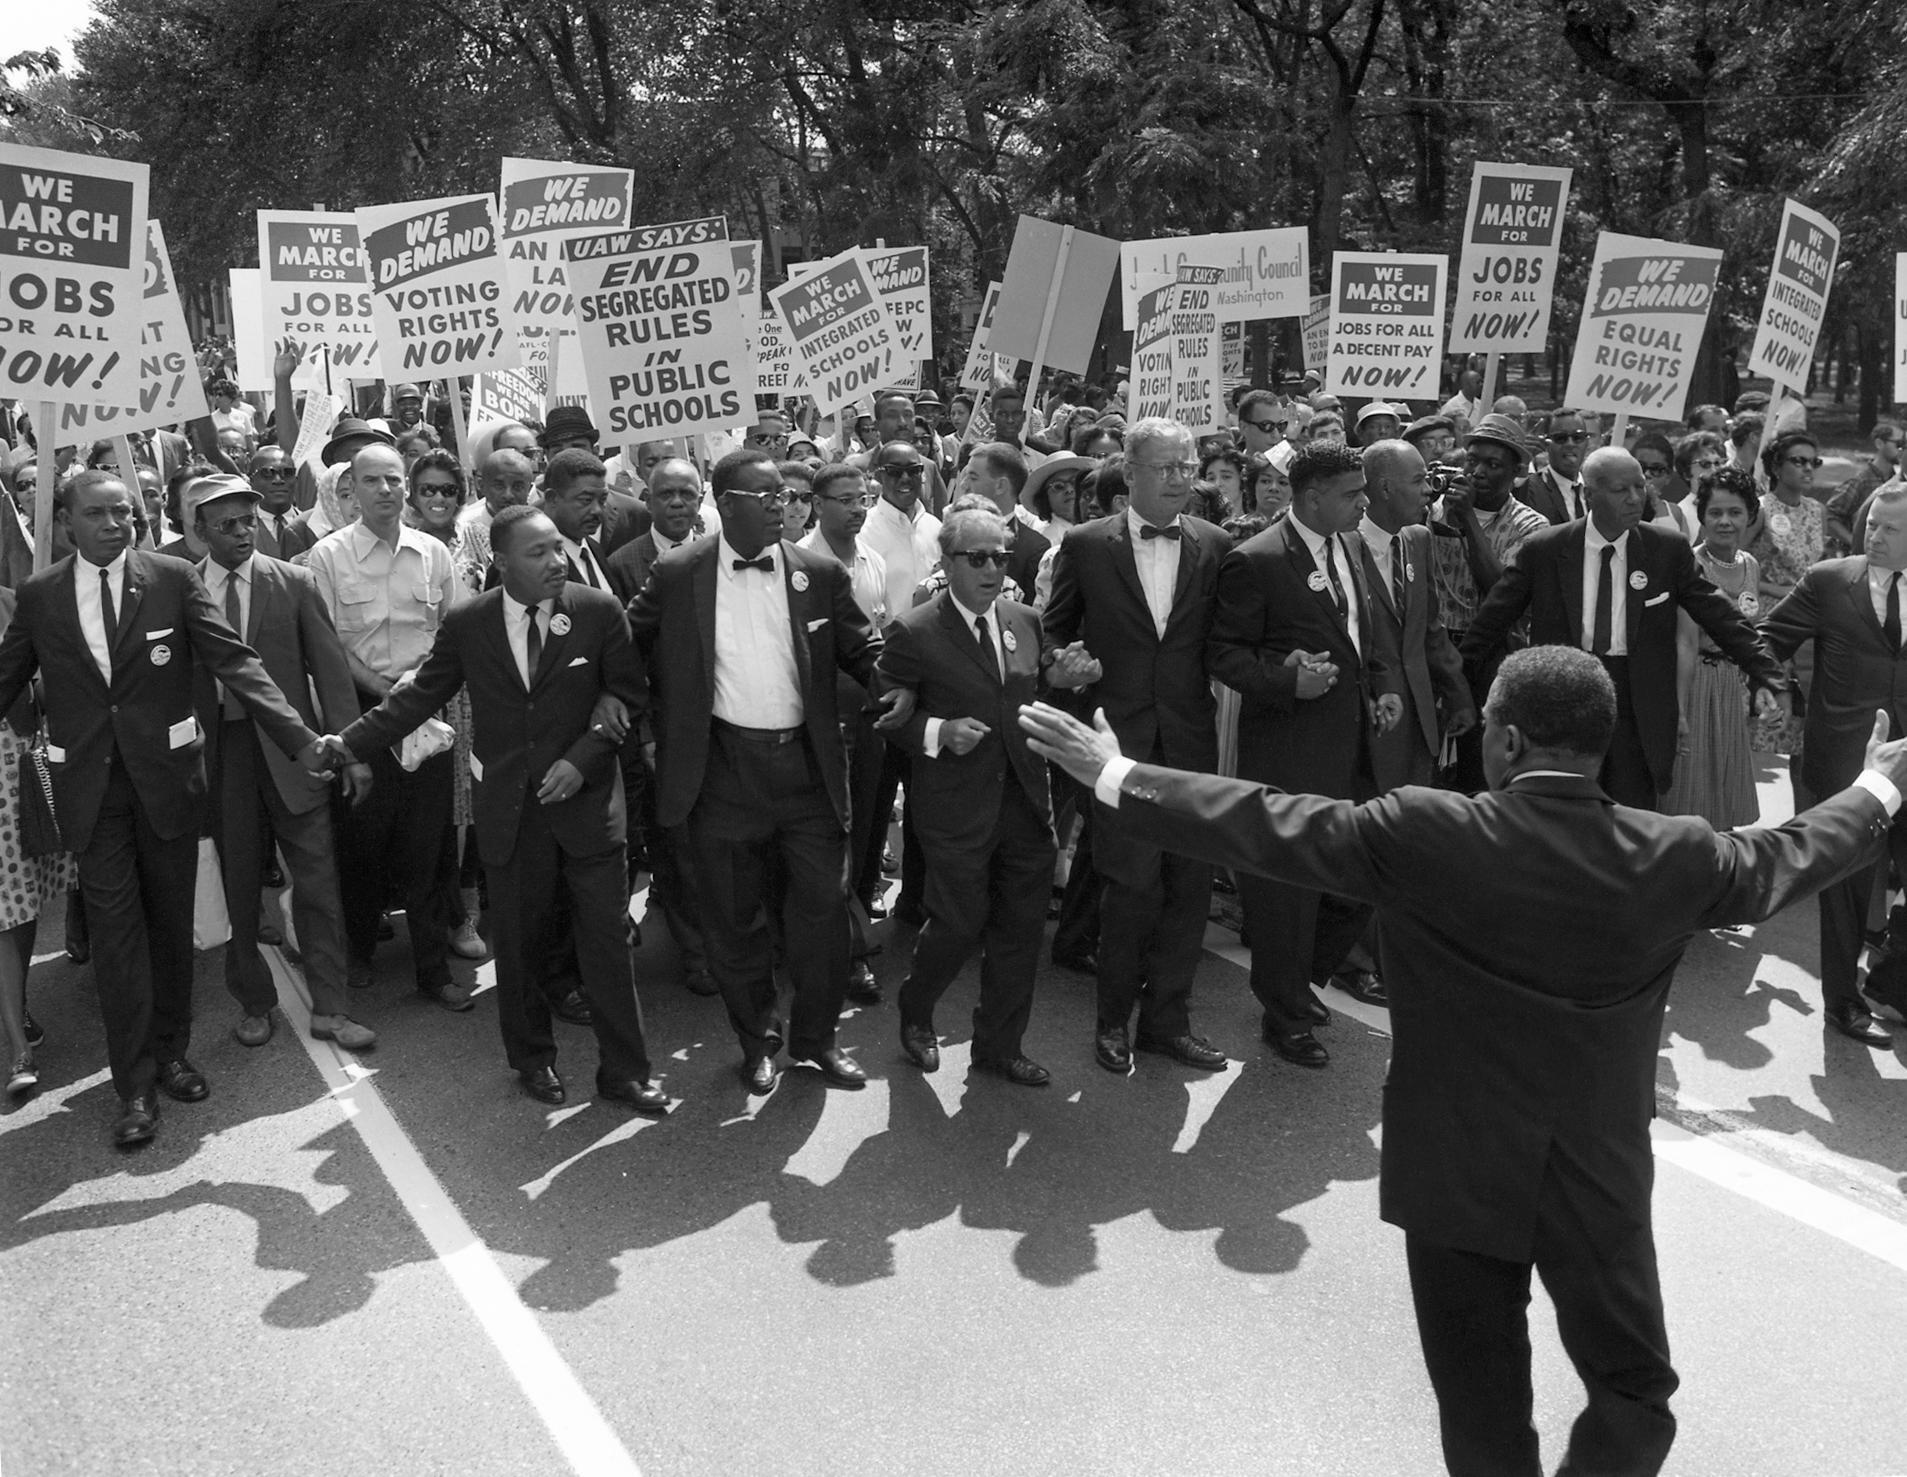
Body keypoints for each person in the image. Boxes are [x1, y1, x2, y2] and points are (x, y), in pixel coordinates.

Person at [1019, 647, 1907, 1477]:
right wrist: (1875, 787)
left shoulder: (1424, 831)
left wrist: (1113, 773)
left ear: (1507, 738)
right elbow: (1786, 857)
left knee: (1481, 1409)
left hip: (1451, 1167)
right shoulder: (1676, 852)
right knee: (1634, 1392)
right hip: (1594, 1174)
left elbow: (1263, 820)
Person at [0, 470, 326, 1146]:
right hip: (91, 794)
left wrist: (300, 737)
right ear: (65, 523)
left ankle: (173, 1051)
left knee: (172, 927)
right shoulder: (39, 597)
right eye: (98, 513)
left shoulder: (174, 578)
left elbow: (235, 662)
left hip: (169, 784)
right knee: (118, 941)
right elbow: (6, 678)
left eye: (124, 511)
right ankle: (135, 1086)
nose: (116, 523)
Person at [323, 504, 668, 1112]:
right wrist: (347, 742)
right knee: (519, 941)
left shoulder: (596, 609)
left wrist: (583, 757)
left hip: (588, 809)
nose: (557, 561)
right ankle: (533, 1060)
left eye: (558, 549)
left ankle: (626, 1071)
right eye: (538, 553)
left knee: (606, 946)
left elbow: (627, 692)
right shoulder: (469, 622)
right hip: (512, 811)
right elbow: (420, 696)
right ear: (502, 562)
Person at [623, 448, 900, 1093]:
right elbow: (626, 650)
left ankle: (816, 1041)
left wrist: (907, 686)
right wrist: (623, 706)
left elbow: (866, 650)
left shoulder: (818, 572)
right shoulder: (679, 573)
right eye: (766, 496)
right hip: (721, 773)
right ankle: (758, 1041)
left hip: (807, 770)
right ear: (725, 503)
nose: (784, 505)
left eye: (785, 495)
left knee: (823, 913)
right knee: (735, 920)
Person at [1042, 416, 1232, 1075]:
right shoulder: (1088, 546)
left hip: (1187, 741)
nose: (1182, 478)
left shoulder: (1213, 542)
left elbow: (1226, 643)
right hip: (1115, 745)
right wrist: (1063, 666)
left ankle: (1166, 1023)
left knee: (1187, 889)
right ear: (1129, 471)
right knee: (1128, 890)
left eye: (1188, 466)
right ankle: (1112, 1023)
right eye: (1166, 467)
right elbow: (1053, 633)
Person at [1209, 442, 1402, 1065]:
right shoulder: (1256, 560)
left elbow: (1361, 637)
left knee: (1359, 880)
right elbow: (1226, 655)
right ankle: (1284, 1014)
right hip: (1290, 754)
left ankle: (1299, 979)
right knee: (1287, 894)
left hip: (1355, 749)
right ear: (1312, 494)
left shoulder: (1350, 547)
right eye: (1352, 493)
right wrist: (1286, 679)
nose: (1364, 503)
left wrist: (1381, 689)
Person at [1462, 448, 1784, 810]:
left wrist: (1765, 672)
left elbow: (1719, 614)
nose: (1635, 498)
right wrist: (1456, 685)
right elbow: (1493, 619)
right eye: (1621, 490)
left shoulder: (1666, 549)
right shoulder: (1547, 549)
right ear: (1589, 496)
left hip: (1637, 706)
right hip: (1565, 701)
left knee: (1630, 820)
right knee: (1562, 818)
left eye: (1639, 486)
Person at [186, 472, 376, 1052]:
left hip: (299, 756)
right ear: (199, 532)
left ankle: (333, 1007)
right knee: (241, 886)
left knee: (318, 883)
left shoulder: (293, 582)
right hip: (224, 758)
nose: (244, 533)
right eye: (227, 525)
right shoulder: (178, 587)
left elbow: (331, 672)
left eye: (248, 521)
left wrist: (351, 751)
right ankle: (254, 1001)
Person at [876, 504, 1053, 1085]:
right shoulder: (914, 630)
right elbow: (886, 716)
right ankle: (918, 1007)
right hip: (953, 806)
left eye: (1001, 557)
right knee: (957, 924)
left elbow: (1033, 698)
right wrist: (937, 732)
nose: (992, 569)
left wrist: (1069, 680)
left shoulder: (1025, 620)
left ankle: (999, 1046)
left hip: (1024, 802)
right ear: (946, 562)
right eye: (977, 558)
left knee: (1020, 929)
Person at [306, 444, 470, 1009]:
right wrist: (386, 695)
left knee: (427, 847)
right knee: (362, 843)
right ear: (351, 488)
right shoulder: (325, 558)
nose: (385, 490)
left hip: (429, 717)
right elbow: (325, 646)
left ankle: (433, 971)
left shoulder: (434, 554)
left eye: (394, 480)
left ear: (407, 487)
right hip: (362, 719)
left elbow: (454, 632)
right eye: (371, 481)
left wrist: (420, 692)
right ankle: (357, 953)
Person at [1759, 482, 1907, 1048]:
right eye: (1873, 524)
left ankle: (1894, 984)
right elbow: (1768, 637)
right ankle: (1843, 1005)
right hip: (1846, 763)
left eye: (1891, 529)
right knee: (1847, 891)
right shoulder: (1829, 581)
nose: (1875, 534)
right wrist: (1775, 686)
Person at [1429, 413, 1550, 792]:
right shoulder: (1432, 512)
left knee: (1476, 768)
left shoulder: (1532, 527)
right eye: (1472, 460)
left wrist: (1468, 521)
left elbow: (1502, 593)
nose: (1478, 471)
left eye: (1493, 465)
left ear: (1516, 472)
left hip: (1489, 656)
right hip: (1434, 648)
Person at [1359, 440, 1477, 792]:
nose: (1429, 490)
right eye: (1418, 480)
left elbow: (1430, 629)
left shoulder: (1418, 539)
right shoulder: (1342, 546)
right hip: (1369, 718)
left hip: (1419, 717)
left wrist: (1457, 695)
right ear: (1384, 488)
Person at [0, 583, 76, 1097]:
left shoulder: (15, 602)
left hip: (15, 767)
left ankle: (16, 1001)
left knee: (18, 905)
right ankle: (17, 1048)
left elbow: (46, 690)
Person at [1660, 470, 1762, 831]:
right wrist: (1680, 710)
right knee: (1689, 796)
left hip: (1732, 687)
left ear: (1750, 515)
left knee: (1723, 798)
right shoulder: (1691, 564)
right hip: (1696, 682)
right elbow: (1685, 641)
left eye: (1735, 512)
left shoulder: (1750, 564)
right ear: (1701, 516)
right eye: (1715, 512)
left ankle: (1720, 877)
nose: (1725, 522)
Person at [1745, 429, 1827, 765]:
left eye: (1813, 462)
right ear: (1777, 468)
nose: (1808, 468)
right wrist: (1776, 590)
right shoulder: (1761, 508)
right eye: (1799, 461)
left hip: (1810, 628)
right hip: (1770, 623)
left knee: (1804, 735)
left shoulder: (1816, 510)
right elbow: (1736, 564)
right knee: (1768, 729)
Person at [604, 455, 705, 602]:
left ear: (700, 502)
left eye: (687, 494)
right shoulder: (620, 566)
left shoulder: (717, 556)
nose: (677, 502)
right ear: (648, 501)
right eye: (666, 494)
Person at [453, 446, 537, 593]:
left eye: (517, 486)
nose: (508, 495)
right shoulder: (462, 530)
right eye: (499, 486)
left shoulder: (540, 529)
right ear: (481, 486)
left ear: (529, 489)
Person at [1826, 419, 1903, 555]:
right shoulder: (1860, 481)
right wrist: (1855, 541)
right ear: (1879, 443)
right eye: (1899, 444)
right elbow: (1830, 517)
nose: (1902, 449)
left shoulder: (1898, 481)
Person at [1521, 408, 1592, 526]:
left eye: (1577, 437)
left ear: (1586, 442)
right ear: (1547, 443)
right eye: (1561, 438)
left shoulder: (1598, 489)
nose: (1570, 444)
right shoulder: (1529, 489)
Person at [246, 446, 314, 561]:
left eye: (287, 473)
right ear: (251, 481)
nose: (278, 480)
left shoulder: (312, 525)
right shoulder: (244, 531)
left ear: (296, 480)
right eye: (267, 473)